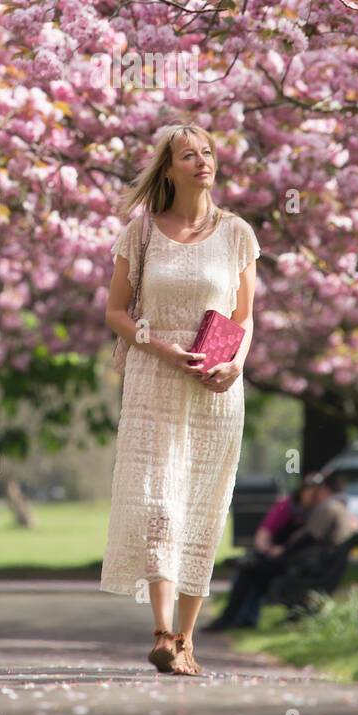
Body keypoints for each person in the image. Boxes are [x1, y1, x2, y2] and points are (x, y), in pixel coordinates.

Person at [101, 122, 260, 677]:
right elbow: (116, 312)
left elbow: (244, 315)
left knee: (202, 506)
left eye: (207, 153)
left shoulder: (237, 233)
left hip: (216, 387)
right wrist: (164, 349)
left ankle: (187, 640)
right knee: (158, 503)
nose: (201, 162)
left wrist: (235, 363)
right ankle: (164, 632)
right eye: (188, 155)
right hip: (154, 379)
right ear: (168, 169)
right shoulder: (141, 233)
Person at [202, 473, 322, 632]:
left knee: (249, 570)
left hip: (292, 561)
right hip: (277, 556)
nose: (311, 495)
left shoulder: (318, 513)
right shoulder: (287, 507)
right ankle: (241, 617)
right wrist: (266, 549)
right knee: (250, 569)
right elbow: (265, 531)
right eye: (308, 490)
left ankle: (232, 617)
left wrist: (280, 550)